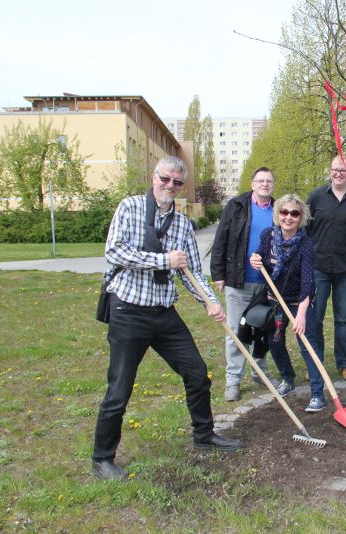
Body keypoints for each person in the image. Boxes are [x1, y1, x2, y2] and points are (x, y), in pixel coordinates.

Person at [91, 156, 241, 481]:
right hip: (128, 311)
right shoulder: (129, 208)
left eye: (177, 182)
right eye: (165, 179)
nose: (169, 186)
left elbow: (191, 273)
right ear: (154, 176)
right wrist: (162, 260)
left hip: (163, 314)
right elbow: (114, 252)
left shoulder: (183, 224)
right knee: (120, 388)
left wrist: (210, 301)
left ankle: (204, 435)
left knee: (198, 373)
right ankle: (102, 459)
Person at [250, 195, 326, 412]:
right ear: (278, 214)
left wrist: (301, 314)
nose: (288, 217)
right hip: (274, 301)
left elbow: (308, 283)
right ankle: (288, 378)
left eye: (294, 213)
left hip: (299, 301)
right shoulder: (268, 236)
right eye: (284, 212)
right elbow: (260, 257)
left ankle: (318, 394)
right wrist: (254, 259)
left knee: (308, 345)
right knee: (274, 342)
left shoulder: (306, 245)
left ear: (301, 217)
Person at [210, 166, 279, 402]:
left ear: (273, 185)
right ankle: (233, 380)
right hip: (239, 280)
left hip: (267, 283)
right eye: (260, 180)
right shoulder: (237, 206)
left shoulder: (279, 209)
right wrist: (218, 273)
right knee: (236, 332)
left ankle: (260, 373)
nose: (265, 184)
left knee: (263, 329)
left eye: (269, 181)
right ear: (252, 184)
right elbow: (221, 238)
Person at [306, 156, 346, 381]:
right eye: (335, 170)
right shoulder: (317, 196)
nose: (338, 174)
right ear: (330, 171)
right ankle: (317, 364)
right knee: (316, 317)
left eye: (342, 170)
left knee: (342, 318)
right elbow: (306, 226)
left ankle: (343, 364)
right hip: (319, 267)